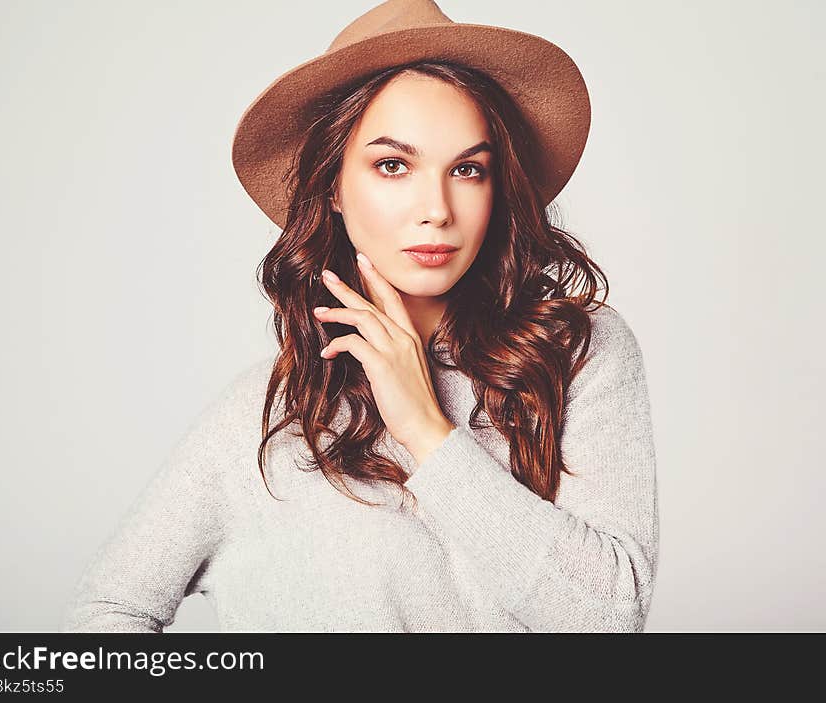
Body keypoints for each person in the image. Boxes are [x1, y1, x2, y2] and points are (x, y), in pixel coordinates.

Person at [60, 0, 659, 633]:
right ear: (332, 188)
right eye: (393, 165)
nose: (437, 208)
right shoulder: (269, 418)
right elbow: (106, 619)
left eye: (467, 169)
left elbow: (606, 621)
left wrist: (426, 430)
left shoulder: (576, 357)